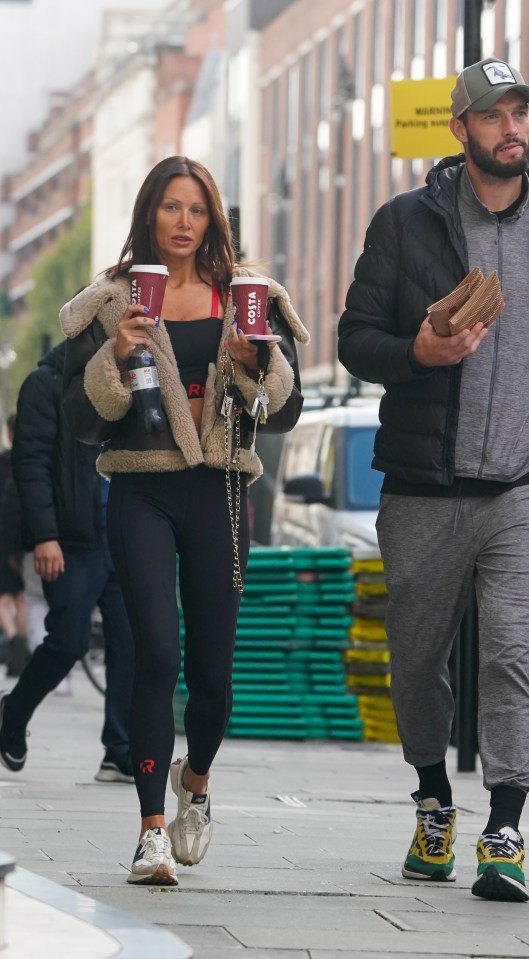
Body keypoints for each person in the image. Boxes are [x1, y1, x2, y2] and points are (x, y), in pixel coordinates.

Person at [338, 57, 529, 903]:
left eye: (521, 113)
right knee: (416, 658)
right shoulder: (406, 224)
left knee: (514, 647)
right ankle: (434, 798)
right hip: (424, 484)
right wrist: (417, 354)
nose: (513, 128)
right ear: (460, 129)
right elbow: (354, 338)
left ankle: (504, 823)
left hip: (526, 483)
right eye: (495, 115)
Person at [59, 156, 308, 887]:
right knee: (153, 655)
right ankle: (150, 832)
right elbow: (78, 417)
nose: (183, 221)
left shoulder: (247, 297)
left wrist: (255, 360)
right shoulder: (110, 302)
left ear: (213, 219)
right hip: (142, 489)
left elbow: (286, 411)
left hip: (223, 494)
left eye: (196, 209)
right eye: (170, 207)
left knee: (212, 676)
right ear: (149, 214)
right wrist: (118, 350)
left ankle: (193, 780)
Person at [0, 340, 136, 783]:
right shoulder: (46, 384)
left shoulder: (134, 376)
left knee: (131, 641)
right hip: (72, 538)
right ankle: (13, 711)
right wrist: (43, 537)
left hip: (124, 533)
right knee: (69, 640)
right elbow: (31, 465)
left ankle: (119, 750)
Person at [0, 413, 28, 677]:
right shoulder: (33, 461)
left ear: (9, 433)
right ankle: (21, 641)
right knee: (21, 597)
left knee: (2, 598)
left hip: (4, 537)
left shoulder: (3, 463)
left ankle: (13, 640)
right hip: (28, 539)